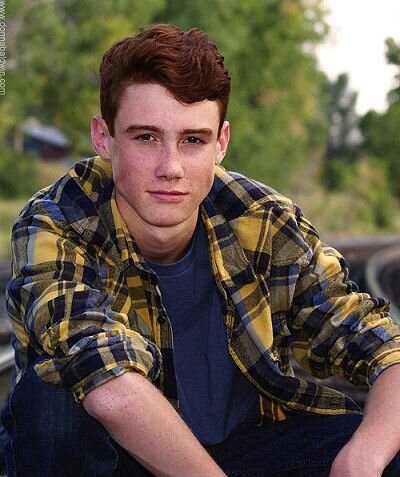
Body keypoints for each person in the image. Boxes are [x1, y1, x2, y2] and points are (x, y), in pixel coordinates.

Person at [1, 23, 400, 477]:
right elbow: (109, 387)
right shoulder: (57, 221)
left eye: (193, 140)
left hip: (243, 452)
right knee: (52, 404)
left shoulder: (261, 219)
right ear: (103, 137)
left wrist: (364, 458)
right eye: (145, 137)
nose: (170, 167)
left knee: (386, 441)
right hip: (118, 461)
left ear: (221, 143)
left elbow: (384, 344)